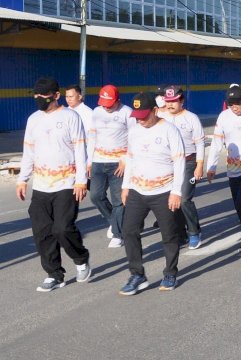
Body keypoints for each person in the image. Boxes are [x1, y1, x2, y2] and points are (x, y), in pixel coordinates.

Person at [17, 77, 91, 292]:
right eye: (36, 96)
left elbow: (80, 149)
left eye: (44, 96)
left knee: (62, 228)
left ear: (56, 96)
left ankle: (80, 258)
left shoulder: (71, 116)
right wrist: (23, 178)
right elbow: (28, 151)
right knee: (42, 232)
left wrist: (81, 181)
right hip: (41, 185)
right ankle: (54, 274)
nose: (39, 99)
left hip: (66, 183)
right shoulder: (33, 119)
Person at [119, 92, 186, 296]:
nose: (140, 120)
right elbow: (130, 159)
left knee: (169, 235)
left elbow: (180, 161)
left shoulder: (169, 130)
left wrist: (176, 191)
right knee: (129, 231)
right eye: (137, 116)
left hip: (164, 192)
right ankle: (137, 274)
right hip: (138, 191)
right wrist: (125, 185)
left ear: (155, 111)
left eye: (144, 116)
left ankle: (170, 273)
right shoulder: (135, 131)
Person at [207, 87, 241, 256]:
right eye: (231, 105)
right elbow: (217, 142)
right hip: (233, 168)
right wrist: (211, 166)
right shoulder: (224, 116)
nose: (235, 108)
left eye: (238, 104)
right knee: (238, 206)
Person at [157, 85, 205, 249]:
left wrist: (200, 165)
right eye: (168, 101)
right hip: (168, 165)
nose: (170, 105)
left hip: (188, 163)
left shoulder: (191, 118)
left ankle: (194, 232)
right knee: (170, 200)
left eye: (174, 101)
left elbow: (199, 143)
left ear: (182, 101)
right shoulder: (161, 117)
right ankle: (180, 234)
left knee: (184, 199)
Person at [88, 85, 135, 248]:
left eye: (110, 104)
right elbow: (92, 136)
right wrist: (89, 160)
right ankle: (113, 221)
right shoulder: (96, 112)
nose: (106, 107)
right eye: (103, 103)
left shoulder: (127, 112)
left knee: (118, 200)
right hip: (98, 160)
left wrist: (125, 160)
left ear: (118, 101)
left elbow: (134, 138)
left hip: (118, 162)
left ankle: (118, 234)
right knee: (95, 195)